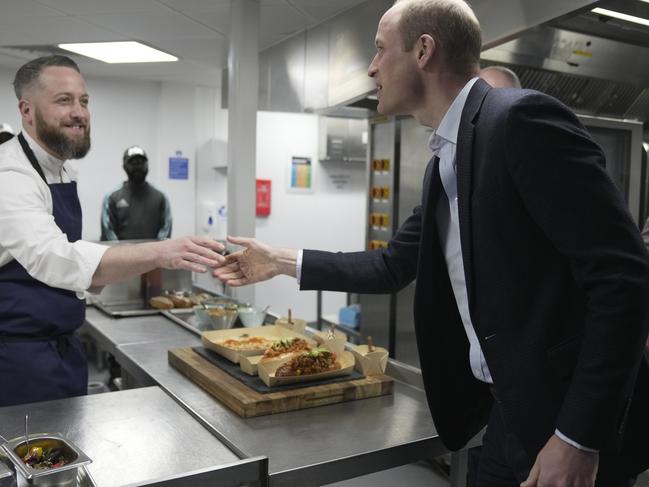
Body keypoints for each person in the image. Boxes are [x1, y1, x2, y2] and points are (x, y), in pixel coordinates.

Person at [213, 1, 649, 485]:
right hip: (502, 417)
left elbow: (623, 277)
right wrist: (277, 260)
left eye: (379, 50)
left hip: (560, 424)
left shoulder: (518, 120)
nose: (372, 68)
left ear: (423, 50)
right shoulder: (446, 159)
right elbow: (391, 266)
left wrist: (577, 439)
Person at [0, 55, 225, 407]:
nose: (79, 112)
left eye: (84, 101)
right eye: (64, 100)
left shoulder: (62, 170)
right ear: (26, 111)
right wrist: (161, 251)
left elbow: (70, 258)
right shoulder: (10, 176)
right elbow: (55, 258)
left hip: (60, 352)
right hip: (16, 364)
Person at [101, 145, 172, 241]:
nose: (138, 166)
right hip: (122, 254)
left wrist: (154, 252)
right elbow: (108, 233)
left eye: (141, 162)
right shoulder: (112, 197)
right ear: (124, 167)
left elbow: (166, 230)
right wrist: (124, 253)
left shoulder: (160, 197)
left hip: (154, 254)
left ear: (147, 165)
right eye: (133, 163)